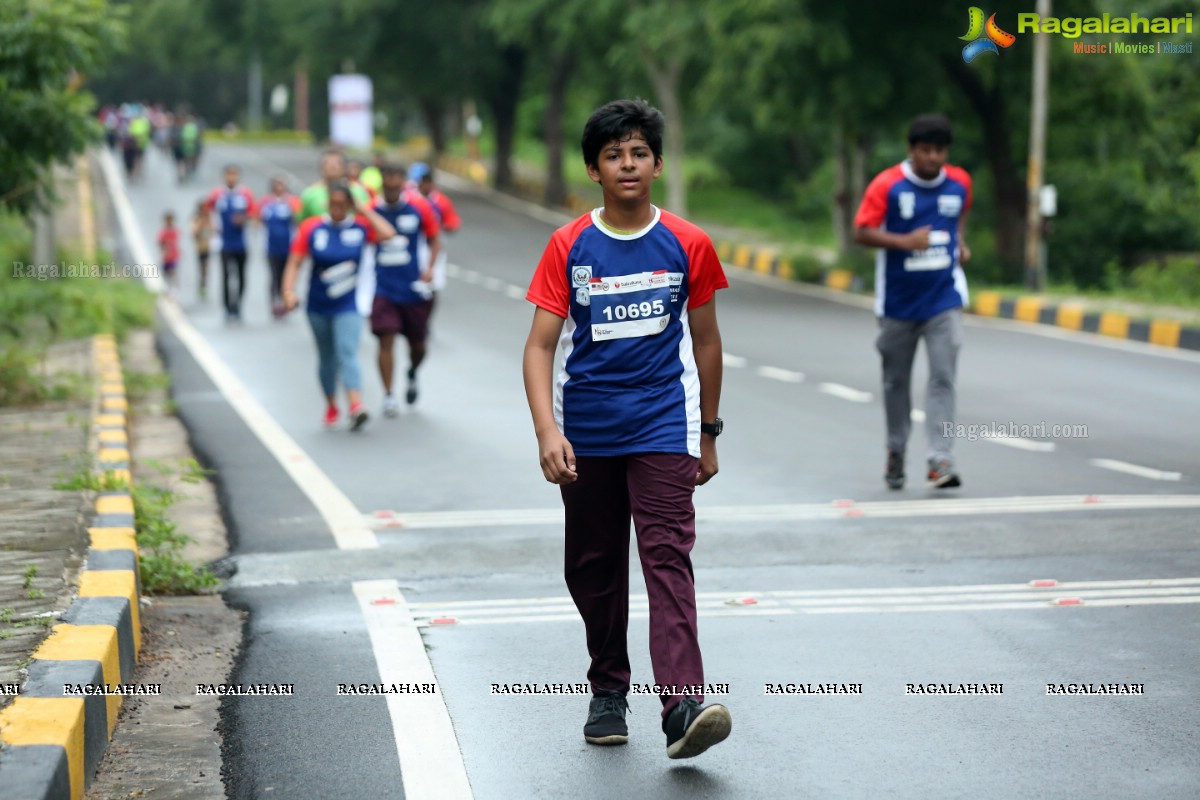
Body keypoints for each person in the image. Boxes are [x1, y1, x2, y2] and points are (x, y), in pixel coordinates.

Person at [522, 98, 732, 760]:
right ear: (594, 170)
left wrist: (708, 431)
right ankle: (608, 690)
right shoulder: (569, 245)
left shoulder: (688, 242)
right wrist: (547, 432)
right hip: (587, 427)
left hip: (664, 421)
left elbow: (706, 343)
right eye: (614, 155)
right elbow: (538, 348)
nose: (628, 164)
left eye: (639, 152)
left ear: (659, 163)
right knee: (594, 563)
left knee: (666, 554)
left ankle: (683, 705)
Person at [853, 113, 972, 490]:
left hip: (943, 300)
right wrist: (905, 242)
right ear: (912, 150)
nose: (932, 158)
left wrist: (961, 245)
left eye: (939, 151)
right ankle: (896, 449)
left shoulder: (960, 183)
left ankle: (940, 459)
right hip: (898, 305)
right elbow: (862, 230)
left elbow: (959, 220)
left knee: (942, 377)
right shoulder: (887, 185)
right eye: (925, 150)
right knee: (895, 383)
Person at [282, 182, 396, 430]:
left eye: (342, 205)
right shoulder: (312, 228)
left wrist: (363, 210)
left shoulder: (360, 227)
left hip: (349, 303)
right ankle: (332, 404)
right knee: (327, 358)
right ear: (326, 204)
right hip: (318, 304)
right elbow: (295, 261)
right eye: (333, 205)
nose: (337, 209)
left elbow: (388, 235)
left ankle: (356, 405)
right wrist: (289, 292)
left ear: (349, 205)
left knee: (347, 350)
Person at [370, 164, 441, 416]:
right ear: (381, 181)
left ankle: (412, 372)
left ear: (402, 182)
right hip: (384, 287)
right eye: (387, 179)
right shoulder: (372, 211)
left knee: (418, 346)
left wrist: (430, 268)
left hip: (413, 289)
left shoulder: (419, 207)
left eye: (396, 179)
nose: (392, 184)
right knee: (385, 340)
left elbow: (435, 239)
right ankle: (389, 395)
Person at [204, 165, 257, 321]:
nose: (231, 178)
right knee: (226, 276)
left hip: (242, 242)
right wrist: (212, 227)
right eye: (229, 175)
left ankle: (238, 305)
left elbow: (254, 214)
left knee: (241, 276)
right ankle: (227, 307)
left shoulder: (245, 194)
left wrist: (244, 219)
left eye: (234, 175)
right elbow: (207, 211)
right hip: (224, 243)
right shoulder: (217, 194)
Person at [409, 162, 461, 312]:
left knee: (433, 282)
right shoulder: (411, 200)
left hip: (434, 246)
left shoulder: (441, 202)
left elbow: (453, 224)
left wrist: (438, 226)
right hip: (414, 247)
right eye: (422, 183)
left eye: (427, 183)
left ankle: (426, 314)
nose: (424, 186)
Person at [258, 177, 302, 317]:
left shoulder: (292, 202)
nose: (279, 188)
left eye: (281, 186)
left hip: (288, 247)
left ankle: (286, 301)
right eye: (277, 186)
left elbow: (298, 221)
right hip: (271, 247)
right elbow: (258, 220)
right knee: (274, 275)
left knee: (285, 275)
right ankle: (274, 302)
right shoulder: (266, 202)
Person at [299, 150, 371, 220]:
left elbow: (368, 217)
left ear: (345, 167)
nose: (332, 166)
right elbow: (302, 222)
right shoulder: (310, 193)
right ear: (321, 168)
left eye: (337, 163)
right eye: (328, 163)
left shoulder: (357, 191)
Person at [191, 200, 214, 300]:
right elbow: (193, 232)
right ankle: (202, 284)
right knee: (202, 267)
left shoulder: (209, 218)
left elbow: (213, 230)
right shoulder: (196, 218)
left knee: (206, 267)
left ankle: (204, 284)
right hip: (200, 247)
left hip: (207, 246)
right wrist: (201, 223)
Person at [157, 211, 180, 296]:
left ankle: (174, 290)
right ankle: (167, 288)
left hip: (173, 255)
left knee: (173, 273)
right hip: (165, 256)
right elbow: (159, 242)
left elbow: (176, 242)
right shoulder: (163, 232)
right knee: (166, 273)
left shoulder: (175, 231)